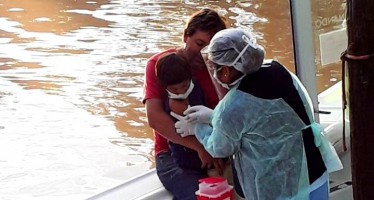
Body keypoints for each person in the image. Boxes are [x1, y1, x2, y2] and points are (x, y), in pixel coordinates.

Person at [174, 28, 342, 199]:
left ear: (225, 71)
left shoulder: (232, 105)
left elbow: (220, 147)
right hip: (314, 173)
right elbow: (271, 120)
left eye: (214, 67)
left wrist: (198, 128)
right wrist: (213, 116)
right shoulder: (278, 70)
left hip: (283, 189)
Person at [142, 8, 227, 200]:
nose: (204, 54)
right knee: (198, 196)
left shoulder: (221, 70)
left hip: (217, 145)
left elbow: (230, 112)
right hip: (173, 154)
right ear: (185, 36)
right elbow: (155, 119)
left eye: (211, 49)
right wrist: (200, 147)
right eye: (199, 44)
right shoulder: (160, 65)